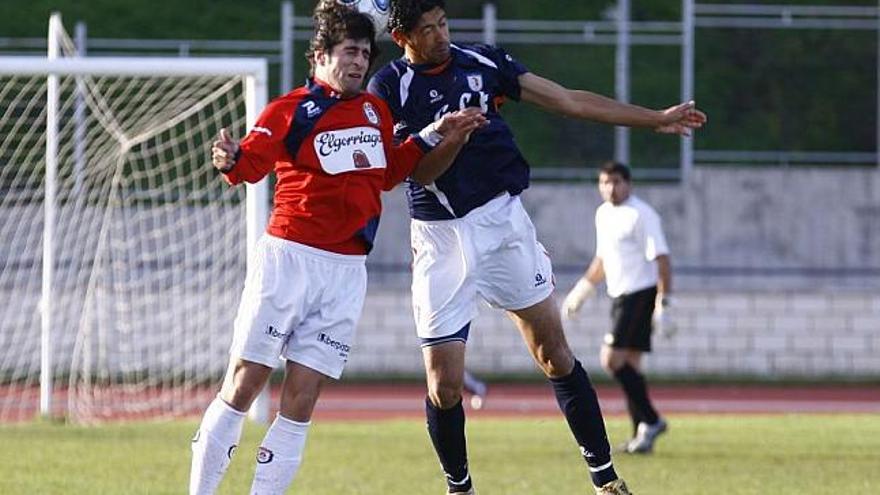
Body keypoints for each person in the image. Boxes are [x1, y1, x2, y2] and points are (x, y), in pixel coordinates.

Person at [367, 2, 706, 494]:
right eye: (427, 29)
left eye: (443, 23)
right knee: (444, 385)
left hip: (503, 226)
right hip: (440, 239)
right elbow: (417, 173)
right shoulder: (388, 88)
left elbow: (568, 99)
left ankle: (605, 478)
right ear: (401, 38)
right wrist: (454, 136)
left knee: (555, 355)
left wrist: (652, 119)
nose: (440, 35)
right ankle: (459, 486)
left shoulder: (482, 62)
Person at [188, 4, 487, 495]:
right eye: (349, 53)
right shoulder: (289, 109)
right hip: (289, 260)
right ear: (321, 56)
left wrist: (438, 132)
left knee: (301, 401)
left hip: (346, 272)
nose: (358, 63)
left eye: (366, 55)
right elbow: (250, 164)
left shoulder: (374, 110)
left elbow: (389, 172)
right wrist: (231, 158)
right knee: (244, 383)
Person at [561, 161, 675, 455]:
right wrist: (582, 290)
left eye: (616, 182)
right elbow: (602, 259)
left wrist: (664, 302)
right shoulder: (602, 214)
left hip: (639, 294)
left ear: (629, 183)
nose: (611, 188)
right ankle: (642, 434)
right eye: (605, 183)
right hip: (618, 295)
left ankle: (652, 419)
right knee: (631, 366)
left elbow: (661, 258)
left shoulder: (642, 214)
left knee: (611, 360)